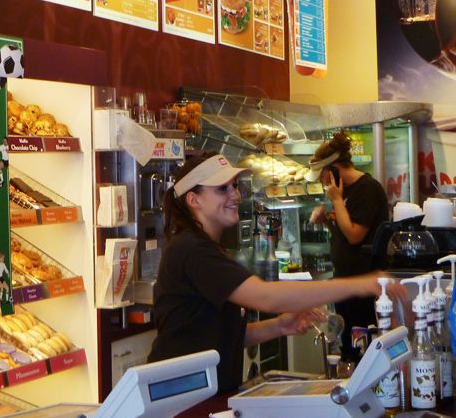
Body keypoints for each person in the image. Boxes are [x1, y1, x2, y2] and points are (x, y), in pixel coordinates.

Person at [147, 151, 389, 393]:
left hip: (200, 394)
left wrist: (279, 326)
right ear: (194, 200)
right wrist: (361, 284)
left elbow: (219, 334)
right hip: (179, 396)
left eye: (235, 186)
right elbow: (266, 297)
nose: (236, 195)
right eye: (222, 189)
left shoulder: (206, 249)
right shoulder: (192, 250)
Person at [306, 131, 390, 350]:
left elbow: (354, 235)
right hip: (346, 284)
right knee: (347, 346)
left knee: (362, 347)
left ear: (333, 169)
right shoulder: (344, 191)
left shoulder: (367, 189)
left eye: (322, 175)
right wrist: (326, 221)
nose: (322, 181)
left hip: (363, 286)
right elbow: (343, 231)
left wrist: (336, 199)